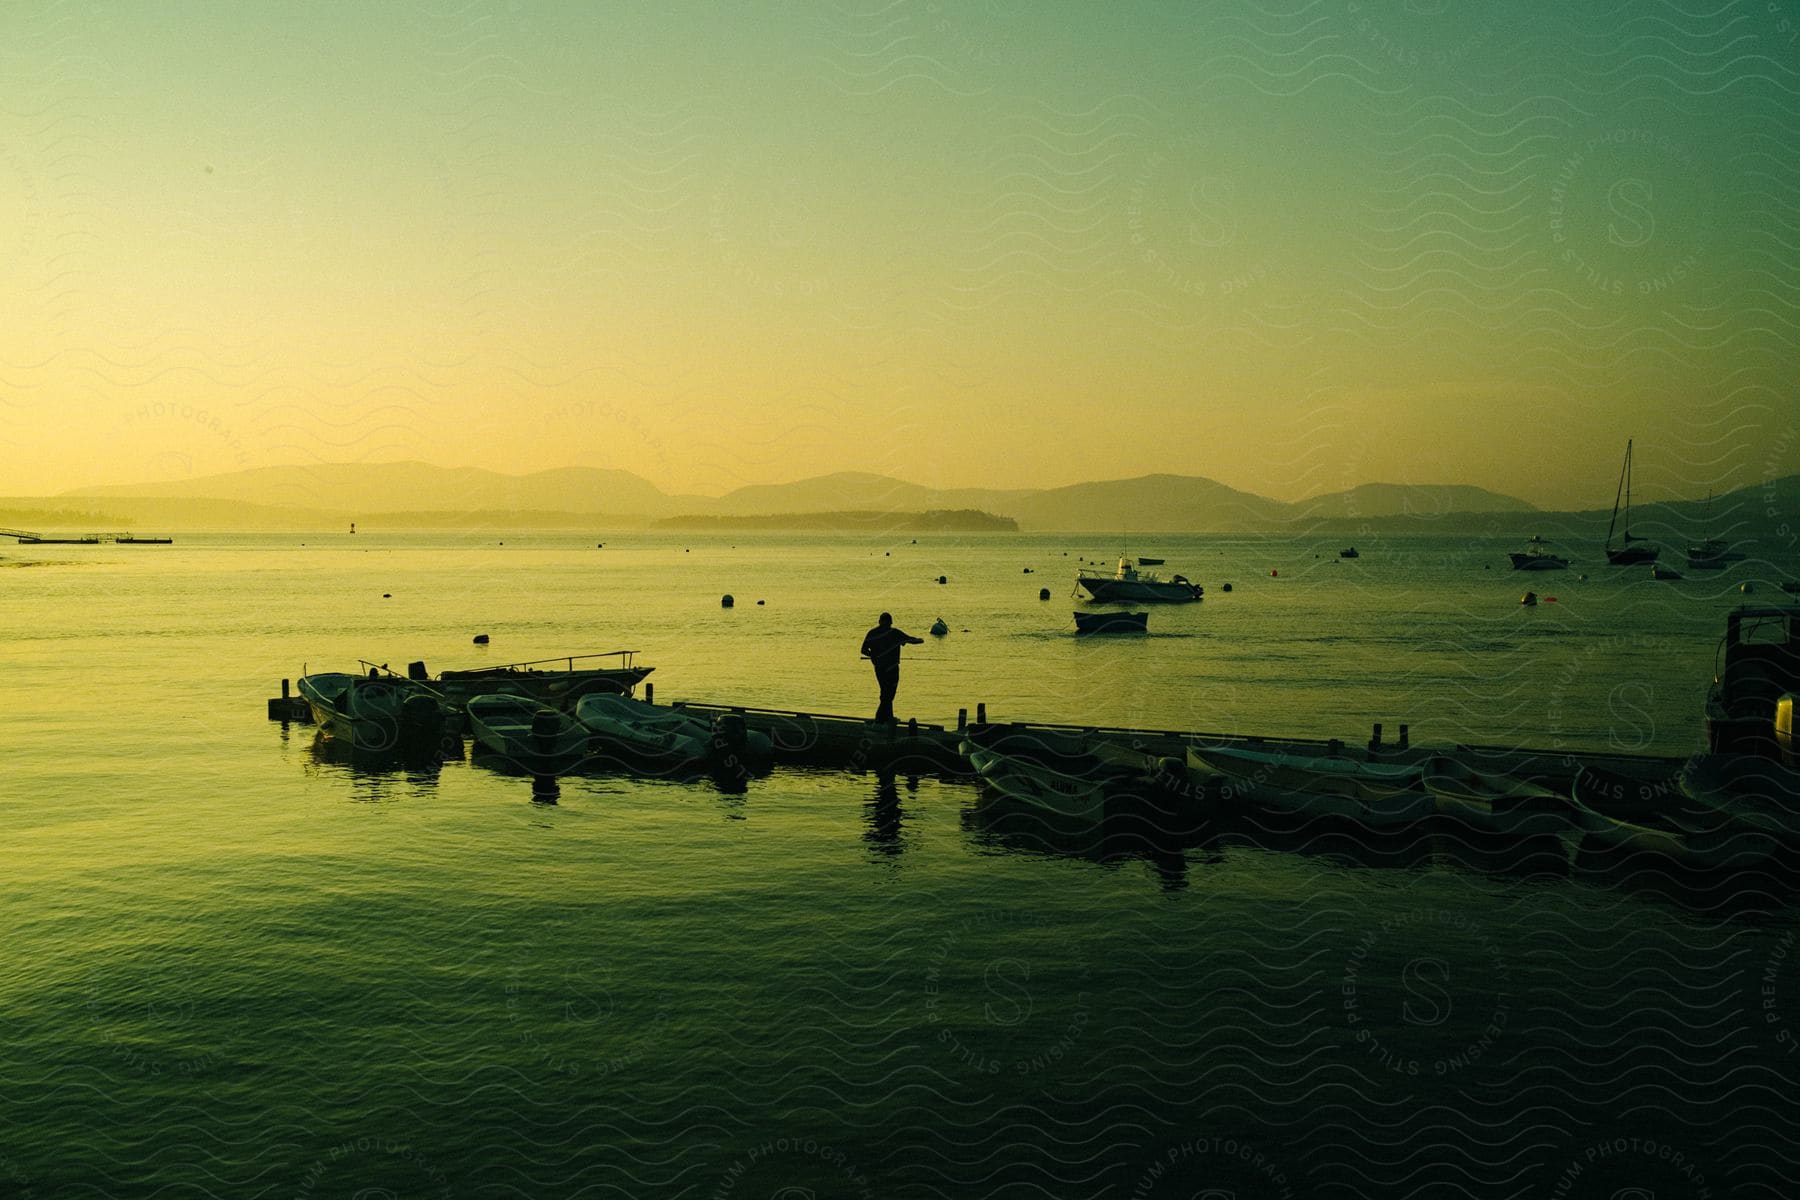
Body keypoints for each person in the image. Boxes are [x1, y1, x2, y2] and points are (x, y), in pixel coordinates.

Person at [859, 612, 923, 723]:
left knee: (886, 692)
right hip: (890, 668)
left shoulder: (876, 633)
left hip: (880, 668)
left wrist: (873, 656)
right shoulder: (893, 633)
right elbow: (910, 640)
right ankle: (881, 717)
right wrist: (919, 640)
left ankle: (887, 717)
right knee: (889, 692)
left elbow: (864, 650)